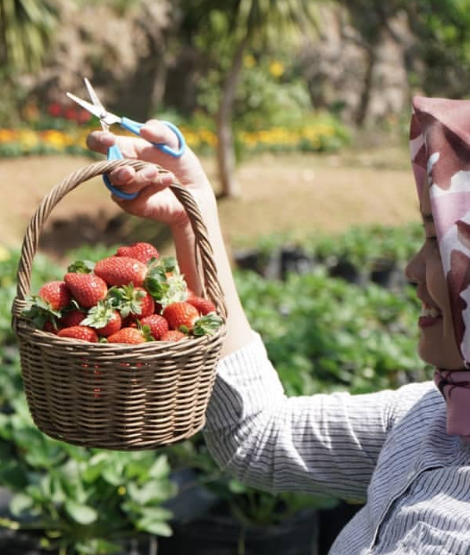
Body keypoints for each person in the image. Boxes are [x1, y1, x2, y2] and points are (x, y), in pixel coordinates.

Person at [86, 97, 470, 554]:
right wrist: (193, 214)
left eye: (437, 241)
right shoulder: (429, 417)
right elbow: (259, 436)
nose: (410, 268)